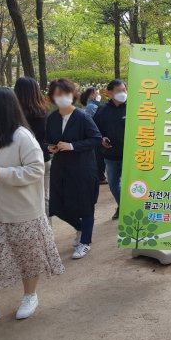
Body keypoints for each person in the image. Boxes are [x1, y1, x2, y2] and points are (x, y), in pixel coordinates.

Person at [0, 88, 64, 321]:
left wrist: (1, 173)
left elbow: (36, 170)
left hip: (21, 210)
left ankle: (30, 295)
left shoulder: (22, 137)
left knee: (28, 256)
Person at [46, 78, 102, 259]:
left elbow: (95, 139)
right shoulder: (52, 118)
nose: (62, 97)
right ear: (53, 97)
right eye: (57, 94)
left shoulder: (82, 116)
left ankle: (85, 241)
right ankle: (80, 228)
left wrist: (72, 146)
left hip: (82, 167)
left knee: (85, 204)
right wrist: (49, 147)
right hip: (60, 168)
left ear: (73, 95)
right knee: (57, 205)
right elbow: (47, 139)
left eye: (65, 93)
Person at [13, 77, 52, 217]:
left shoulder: (14, 115)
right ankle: (47, 233)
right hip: (43, 159)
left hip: (21, 163)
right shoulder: (43, 111)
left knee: (23, 200)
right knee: (44, 198)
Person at [93, 80, 127, 220]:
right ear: (110, 93)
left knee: (133, 185)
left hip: (131, 155)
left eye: (124, 90)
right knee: (113, 184)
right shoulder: (102, 111)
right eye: (118, 91)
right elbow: (94, 130)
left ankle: (130, 208)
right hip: (111, 156)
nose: (123, 93)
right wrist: (101, 139)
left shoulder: (134, 108)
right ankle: (123, 206)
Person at [81, 87, 107, 185]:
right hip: (96, 133)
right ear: (91, 95)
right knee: (99, 156)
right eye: (97, 93)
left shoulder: (91, 105)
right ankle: (100, 176)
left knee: (98, 156)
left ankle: (100, 175)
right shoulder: (92, 106)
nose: (98, 95)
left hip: (94, 133)